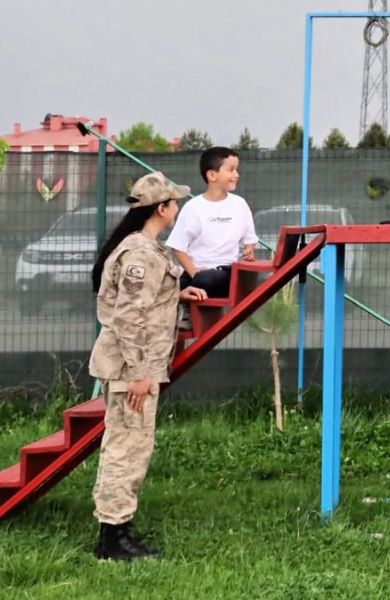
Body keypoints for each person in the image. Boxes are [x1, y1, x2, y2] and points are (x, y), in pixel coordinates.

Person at [89, 171, 207, 561]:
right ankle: (112, 539)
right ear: (161, 208)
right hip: (131, 371)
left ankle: (117, 529)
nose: (177, 208)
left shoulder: (145, 248)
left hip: (135, 367)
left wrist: (175, 293)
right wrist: (140, 374)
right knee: (126, 450)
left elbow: (145, 302)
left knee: (131, 447)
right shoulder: (140, 253)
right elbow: (127, 318)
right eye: (174, 202)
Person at [166, 146, 258, 299]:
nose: (236, 175)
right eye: (231, 170)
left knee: (207, 280)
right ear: (212, 175)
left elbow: (250, 240)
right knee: (172, 288)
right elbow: (178, 248)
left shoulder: (240, 204)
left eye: (237, 170)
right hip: (195, 274)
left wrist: (249, 250)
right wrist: (194, 272)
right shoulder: (193, 207)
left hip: (226, 272)